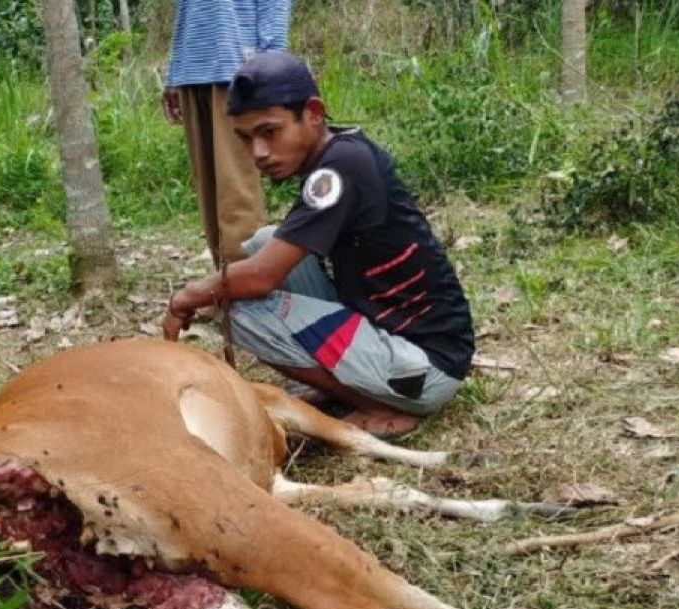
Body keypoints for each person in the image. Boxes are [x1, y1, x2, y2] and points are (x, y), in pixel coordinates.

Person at [162, 51, 475, 436]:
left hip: (424, 368)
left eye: (269, 132)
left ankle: (378, 406)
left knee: (241, 313)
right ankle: (348, 384)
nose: (258, 153)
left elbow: (260, 279)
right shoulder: (342, 154)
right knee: (265, 241)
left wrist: (188, 296)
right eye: (246, 138)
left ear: (313, 113)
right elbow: (268, 260)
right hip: (403, 337)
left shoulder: (338, 171)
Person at [162, 0, 292, 268]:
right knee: (208, 187)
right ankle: (226, 280)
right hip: (192, 68)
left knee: (237, 187)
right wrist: (173, 75)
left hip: (238, 68)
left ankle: (253, 284)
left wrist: (269, 64)